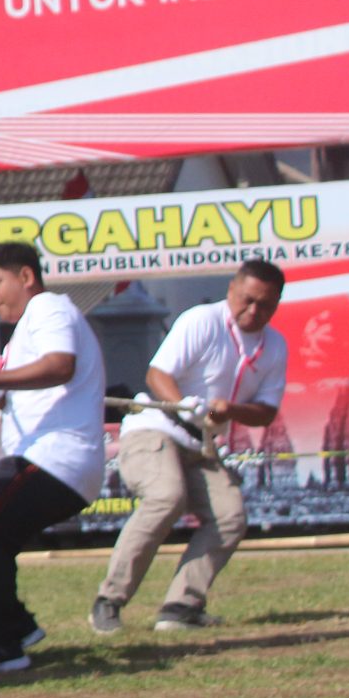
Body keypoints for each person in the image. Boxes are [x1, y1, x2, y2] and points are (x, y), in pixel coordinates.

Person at [0, 242, 106, 677]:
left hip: (56, 458)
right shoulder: (27, 327)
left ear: (26, 277)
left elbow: (60, 366)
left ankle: (0, 645)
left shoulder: (49, 307)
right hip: (39, 458)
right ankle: (14, 624)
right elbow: (14, 392)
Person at [92, 261, 287, 635]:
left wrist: (231, 410)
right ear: (231, 290)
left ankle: (181, 606)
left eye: (265, 305)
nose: (253, 311)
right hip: (157, 425)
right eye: (247, 300)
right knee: (167, 496)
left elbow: (266, 411)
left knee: (230, 517)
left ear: (276, 304)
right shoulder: (202, 320)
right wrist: (185, 403)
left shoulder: (274, 345)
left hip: (203, 442)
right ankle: (109, 600)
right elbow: (157, 374)